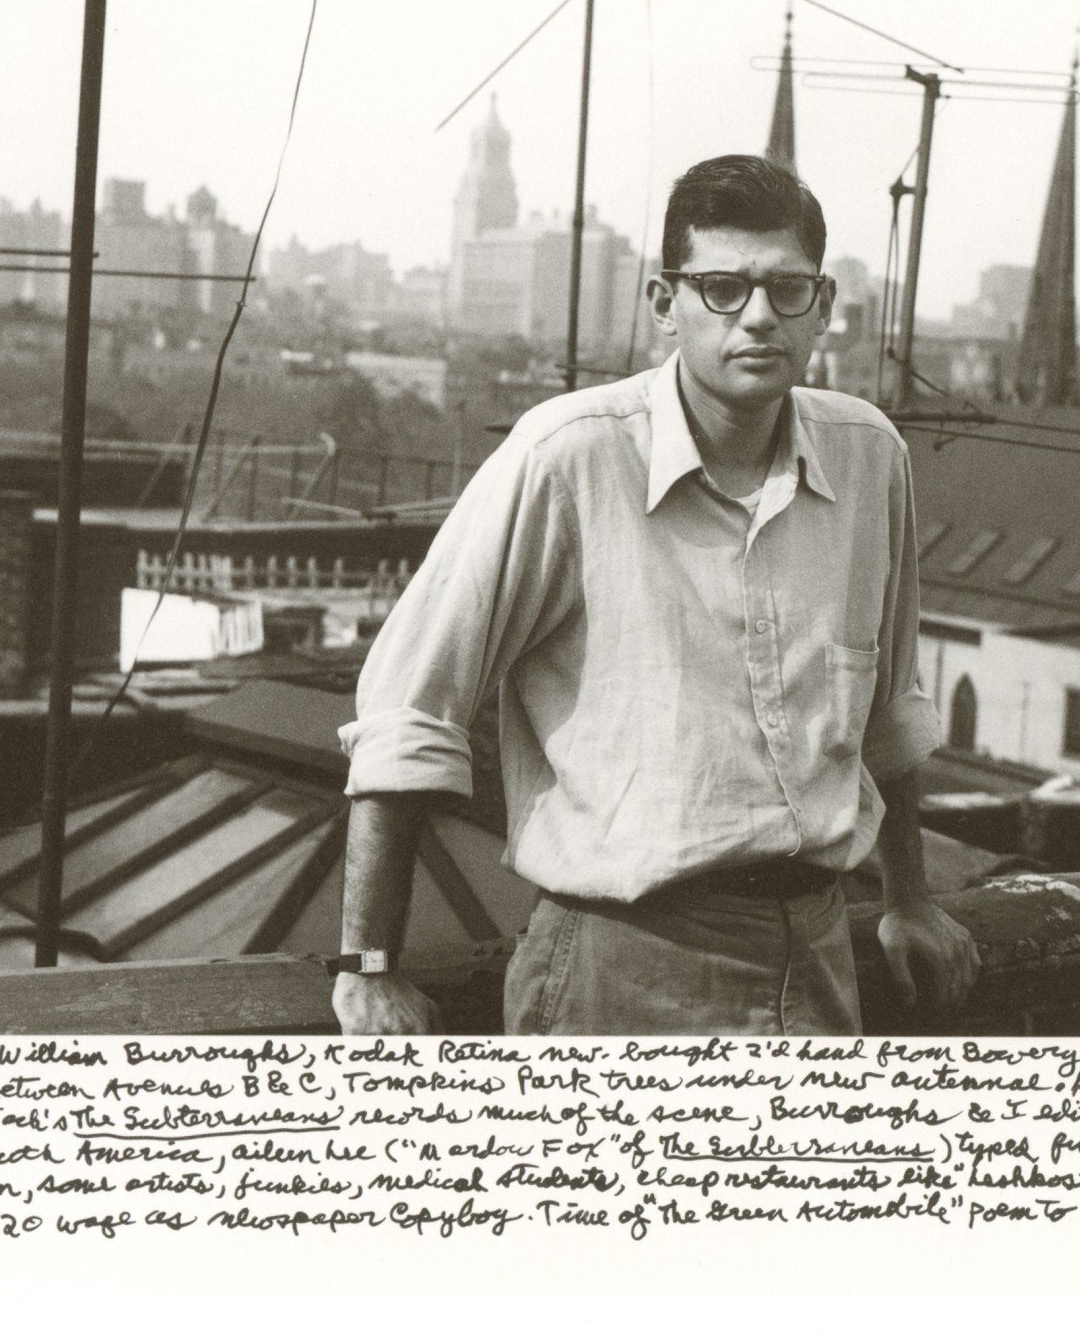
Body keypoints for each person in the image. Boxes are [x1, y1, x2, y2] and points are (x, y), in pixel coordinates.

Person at [332, 153, 979, 1035]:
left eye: (787, 290)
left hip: (820, 956)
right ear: (662, 304)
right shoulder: (569, 455)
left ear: (824, 308)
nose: (757, 317)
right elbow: (410, 704)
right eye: (721, 287)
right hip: (622, 968)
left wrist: (909, 899)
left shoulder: (869, 458)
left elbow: (891, 714)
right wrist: (369, 964)